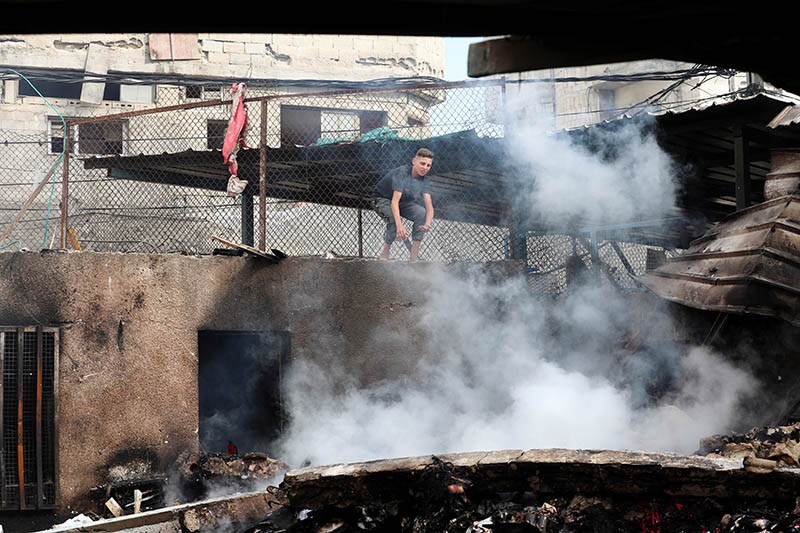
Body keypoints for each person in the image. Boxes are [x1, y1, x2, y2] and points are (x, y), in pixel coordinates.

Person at [373, 148, 435, 261]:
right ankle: (384, 256)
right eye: (422, 163)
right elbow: (394, 202)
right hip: (383, 199)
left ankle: (413, 259)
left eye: (428, 165)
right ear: (414, 161)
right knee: (393, 222)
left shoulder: (425, 180)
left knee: (421, 213)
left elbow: (429, 207)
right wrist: (399, 226)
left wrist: (427, 223)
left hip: (404, 202)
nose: (425, 168)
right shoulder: (403, 173)